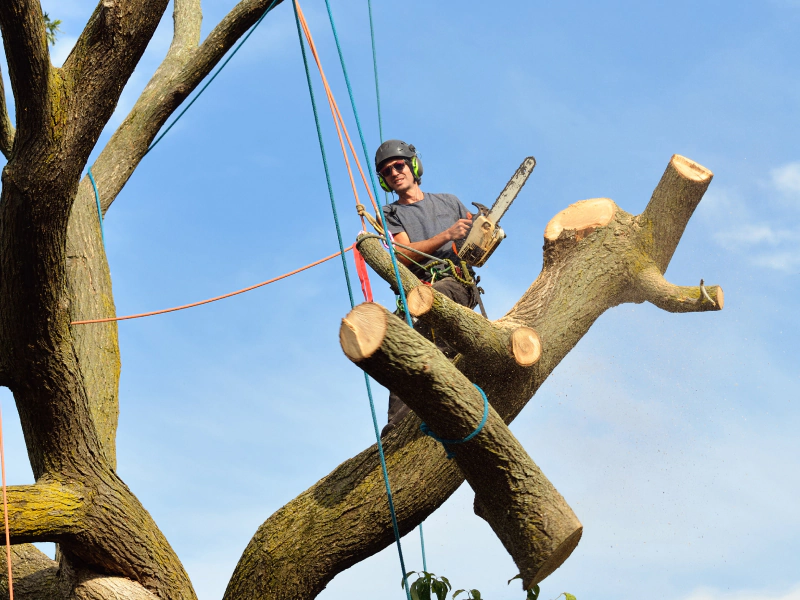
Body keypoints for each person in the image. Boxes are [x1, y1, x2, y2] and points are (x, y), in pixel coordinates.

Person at [375, 139, 481, 436]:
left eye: (398, 165)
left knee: (439, 297)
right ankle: (398, 428)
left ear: (413, 166)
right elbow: (403, 255)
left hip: (455, 282)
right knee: (395, 341)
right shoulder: (390, 214)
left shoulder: (449, 201)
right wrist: (446, 235)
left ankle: (447, 378)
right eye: (386, 171)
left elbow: (476, 245)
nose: (394, 173)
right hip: (418, 291)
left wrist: (482, 232)